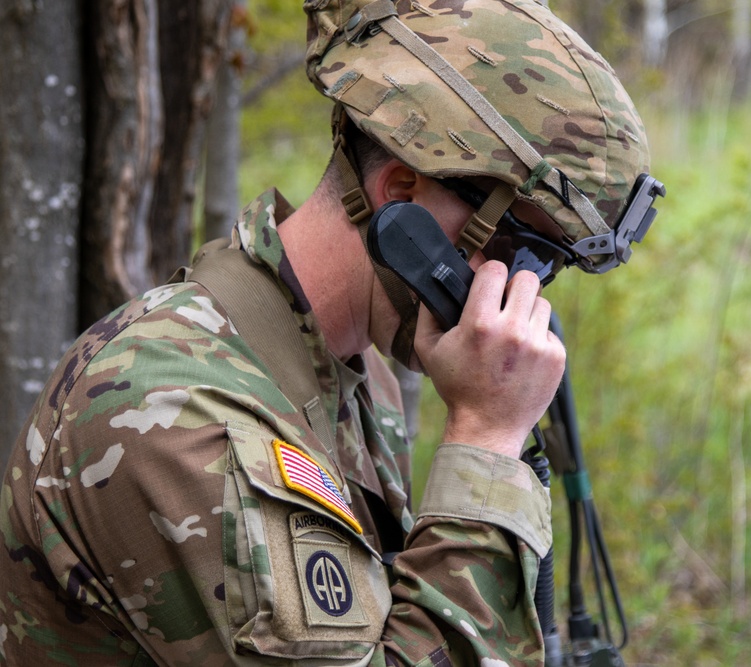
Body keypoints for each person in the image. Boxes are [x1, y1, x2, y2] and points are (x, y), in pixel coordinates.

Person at [0, 0, 659, 664]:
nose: (528, 293)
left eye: (552, 268)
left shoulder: (350, 369)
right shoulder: (167, 408)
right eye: (525, 251)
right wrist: (486, 440)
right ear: (402, 197)